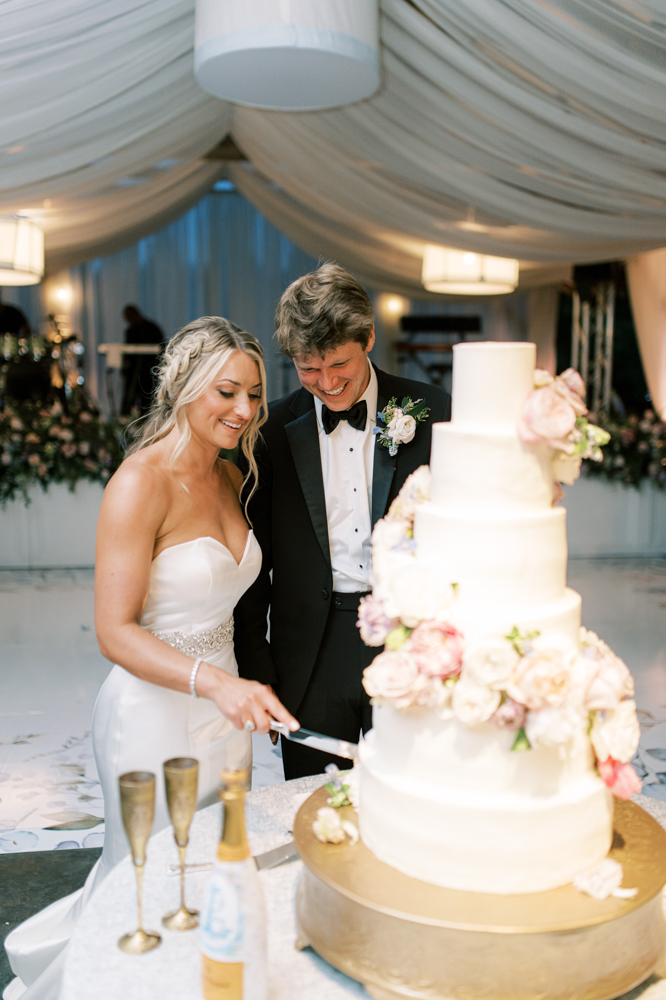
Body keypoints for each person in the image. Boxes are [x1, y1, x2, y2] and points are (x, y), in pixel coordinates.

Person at [3, 317, 298, 1000]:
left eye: (254, 393)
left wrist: (241, 687)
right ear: (183, 384)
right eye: (227, 392)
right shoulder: (140, 482)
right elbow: (114, 631)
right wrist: (216, 682)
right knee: (150, 887)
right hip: (151, 715)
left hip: (225, 719)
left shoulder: (233, 476)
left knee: (215, 881)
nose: (246, 411)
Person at [234, 264, 451, 779]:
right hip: (309, 652)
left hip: (407, 639)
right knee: (312, 801)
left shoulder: (433, 413)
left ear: (369, 337)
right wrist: (257, 665)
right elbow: (250, 562)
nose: (327, 384)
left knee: (407, 791)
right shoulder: (269, 433)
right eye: (308, 369)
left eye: (339, 365)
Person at [120, 304, 164, 415]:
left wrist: (158, 367)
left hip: (148, 370)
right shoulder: (130, 331)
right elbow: (127, 351)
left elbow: (161, 348)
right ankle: (125, 419)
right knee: (129, 397)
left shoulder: (151, 328)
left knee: (146, 399)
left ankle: (144, 421)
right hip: (132, 370)